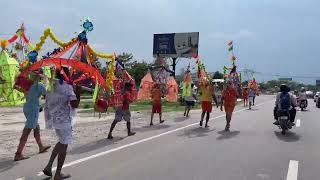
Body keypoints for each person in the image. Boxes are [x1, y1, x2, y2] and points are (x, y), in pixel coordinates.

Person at [42, 69, 81, 180]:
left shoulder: (51, 86)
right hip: (64, 121)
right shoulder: (67, 87)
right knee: (64, 145)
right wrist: (78, 91)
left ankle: (49, 166)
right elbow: (75, 104)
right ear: (65, 75)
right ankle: (58, 173)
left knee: (61, 142)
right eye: (68, 74)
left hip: (55, 119)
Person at [14, 72, 51, 161]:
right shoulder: (40, 85)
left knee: (36, 126)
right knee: (27, 131)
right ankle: (18, 153)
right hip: (33, 109)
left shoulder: (27, 84)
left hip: (27, 108)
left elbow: (15, 86)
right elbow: (47, 96)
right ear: (39, 76)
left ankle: (41, 146)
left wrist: (24, 91)